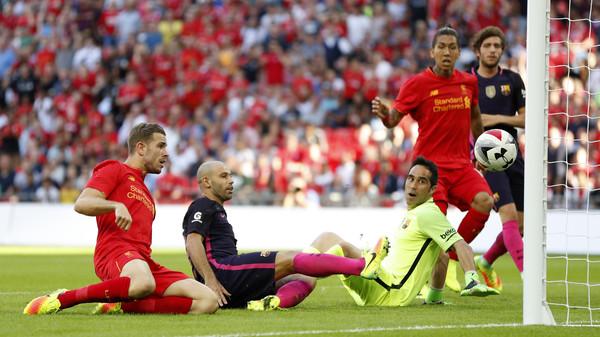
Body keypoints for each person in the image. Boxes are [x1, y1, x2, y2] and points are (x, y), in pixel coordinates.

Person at [24, 123, 219, 315]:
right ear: (141, 148)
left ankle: (121, 305)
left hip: (143, 262)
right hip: (114, 252)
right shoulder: (114, 169)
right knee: (143, 282)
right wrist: (115, 205)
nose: (166, 153)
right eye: (160, 146)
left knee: (208, 300)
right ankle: (62, 299)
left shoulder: (148, 195)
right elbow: (82, 203)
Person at [371, 26, 495, 291]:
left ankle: (452, 257)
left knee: (485, 201)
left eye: (452, 47)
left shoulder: (468, 82)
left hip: (461, 165)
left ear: (459, 52)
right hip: (429, 171)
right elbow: (393, 120)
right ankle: (431, 284)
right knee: (434, 230)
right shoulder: (417, 85)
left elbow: (475, 116)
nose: (447, 52)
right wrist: (384, 113)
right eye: (441, 47)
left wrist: (480, 150)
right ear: (432, 51)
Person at [183, 160, 389, 310]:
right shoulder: (203, 205)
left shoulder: (216, 209)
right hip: (222, 274)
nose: (231, 180)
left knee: (306, 278)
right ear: (206, 182)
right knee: (290, 258)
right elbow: (193, 241)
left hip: (229, 287)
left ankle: (273, 303)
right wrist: (210, 280)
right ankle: (362, 266)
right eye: (224, 176)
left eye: (230, 175)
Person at [309, 157, 499, 306]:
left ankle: (296, 274)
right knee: (328, 238)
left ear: (433, 190)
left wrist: (471, 279)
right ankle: (298, 274)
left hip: (390, 292)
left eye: (421, 181)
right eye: (411, 178)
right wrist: (434, 297)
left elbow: (460, 245)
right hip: (382, 281)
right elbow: (442, 256)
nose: (413, 185)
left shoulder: (427, 214)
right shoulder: (416, 213)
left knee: (341, 248)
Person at [470, 26, 526, 290]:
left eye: (497, 46)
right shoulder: (468, 82)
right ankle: (529, 275)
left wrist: (495, 119)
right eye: (487, 45)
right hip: (486, 156)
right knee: (508, 216)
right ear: (478, 49)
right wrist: (474, 153)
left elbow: (526, 118)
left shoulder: (513, 81)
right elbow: (463, 122)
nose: (492, 50)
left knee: (521, 225)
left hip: (513, 152)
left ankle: (486, 261)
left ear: (502, 50)